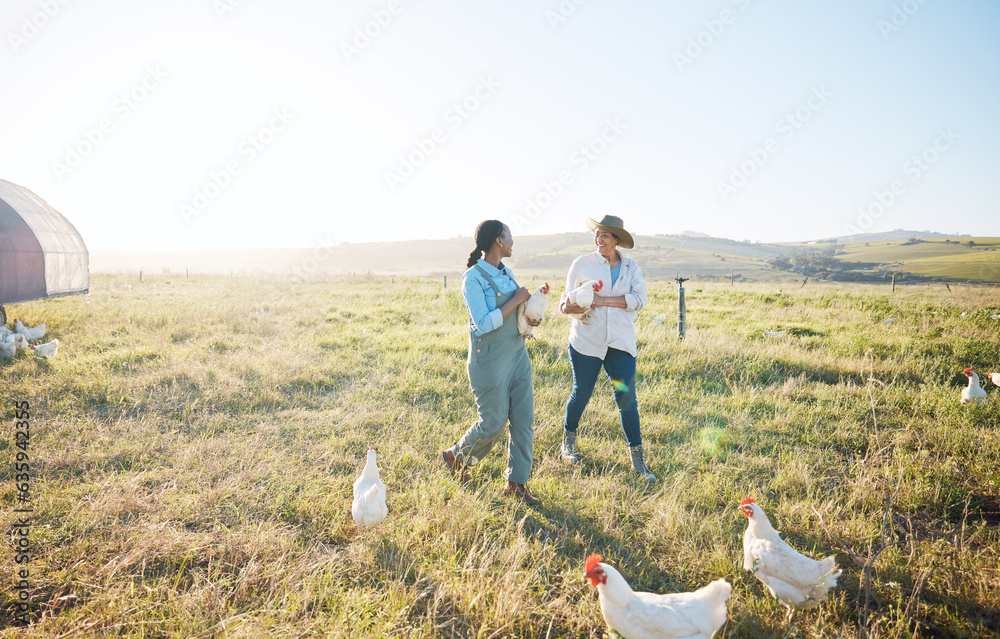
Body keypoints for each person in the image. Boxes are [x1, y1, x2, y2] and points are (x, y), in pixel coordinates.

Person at [442, 220, 543, 505]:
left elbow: (515, 312)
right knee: (494, 422)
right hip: (489, 361)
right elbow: (484, 323)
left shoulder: (506, 272)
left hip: (517, 354)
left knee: (523, 421)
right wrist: (518, 298)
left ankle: (517, 483)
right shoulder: (472, 278)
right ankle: (455, 456)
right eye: (510, 236)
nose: (513, 241)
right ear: (499, 241)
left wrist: (528, 313)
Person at [558, 215, 656, 481]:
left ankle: (638, 461)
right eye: (597, 234)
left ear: (616, 240)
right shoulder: (582, 263)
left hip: (620, 344)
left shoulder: (631, 267)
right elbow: (564, 300)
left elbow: (640, 299)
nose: (598, 240)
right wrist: (567, 307)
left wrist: (602, 301)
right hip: (586, 342)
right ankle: (567, 443)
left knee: (627, 399)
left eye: (604, 236)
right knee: (582, 393)